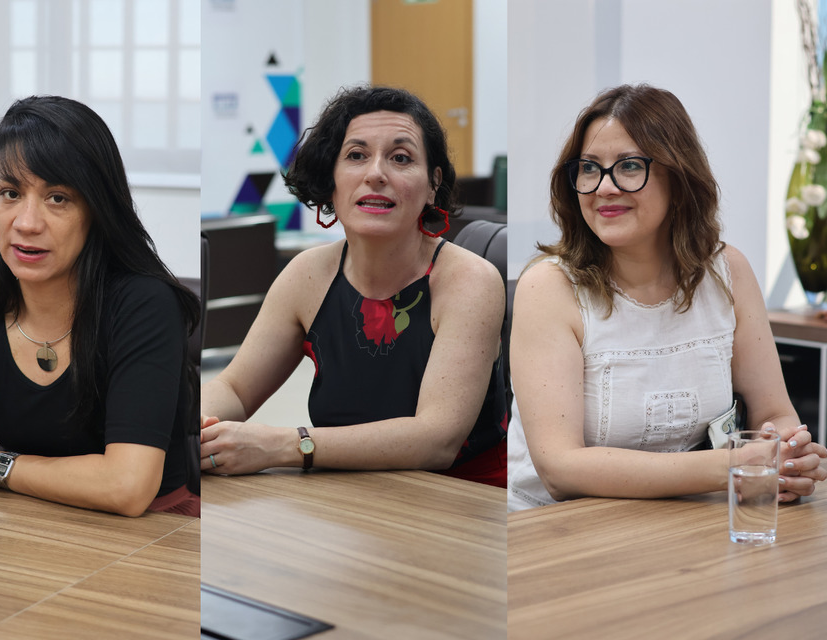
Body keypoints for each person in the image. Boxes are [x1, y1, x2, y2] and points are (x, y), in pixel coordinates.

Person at [0, 96, 200, 517]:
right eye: (10, 192)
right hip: (26, 525)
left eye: (57, 198)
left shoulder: (145, 304)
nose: (26, 222)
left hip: (152, 538)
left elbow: (128, 487)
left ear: (97, 210)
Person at [506, 84, 827, 511]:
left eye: (629, 166)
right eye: (589, 168)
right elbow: (561, 469)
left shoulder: (728, 272)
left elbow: (776, 411)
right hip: (560, 531)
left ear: (678, 176)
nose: (604, 188)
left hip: (687, 522)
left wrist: (786, 456)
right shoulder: (548, 287)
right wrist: (732, 468)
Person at [200, 86, 509, 486]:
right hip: (344, 497)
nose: (375, 173)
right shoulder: (306, 274)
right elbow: (235, 389)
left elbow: (436, 439)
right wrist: (197, 427)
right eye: (356, 155)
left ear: (433, 184)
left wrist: (283, 446)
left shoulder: (471, 281)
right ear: (331, 179)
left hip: (461, 504)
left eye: (400, 158)